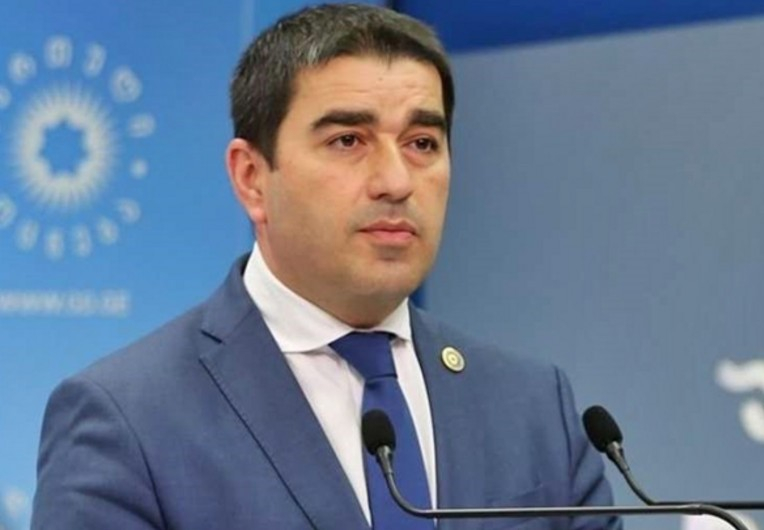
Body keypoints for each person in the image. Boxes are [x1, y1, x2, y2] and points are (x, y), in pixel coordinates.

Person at [31, 4, 620, 529]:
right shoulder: (128, 419)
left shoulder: (532, 405)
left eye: (421, 143)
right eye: (348, 141)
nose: (396, 181)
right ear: (252, 178)